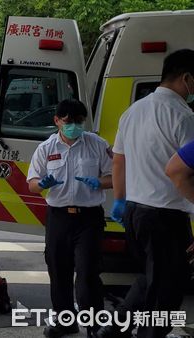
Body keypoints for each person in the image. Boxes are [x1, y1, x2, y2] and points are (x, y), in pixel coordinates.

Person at [98, 49, 194, 338]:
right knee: (165, 295)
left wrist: (119, 200)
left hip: (135, 214)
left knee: (152, 279)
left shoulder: (133, 111)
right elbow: (184, 172)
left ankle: (114, 328)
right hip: (166, 216)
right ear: (187, 78)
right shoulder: (183, 116)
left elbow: (118, 159)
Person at [26, 100, 112, 338]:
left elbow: (114, 176)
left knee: (87, 272)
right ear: (57, 121)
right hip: (59, 218)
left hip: (89, 219)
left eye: (78, 121)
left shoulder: (97, 144)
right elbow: (32, 183)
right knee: (58, 271)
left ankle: (94, 325)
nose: (74, 126)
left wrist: (100, 182)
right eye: (68, 121)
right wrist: (42, 184)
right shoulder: (46, 148)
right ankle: (65, 322)